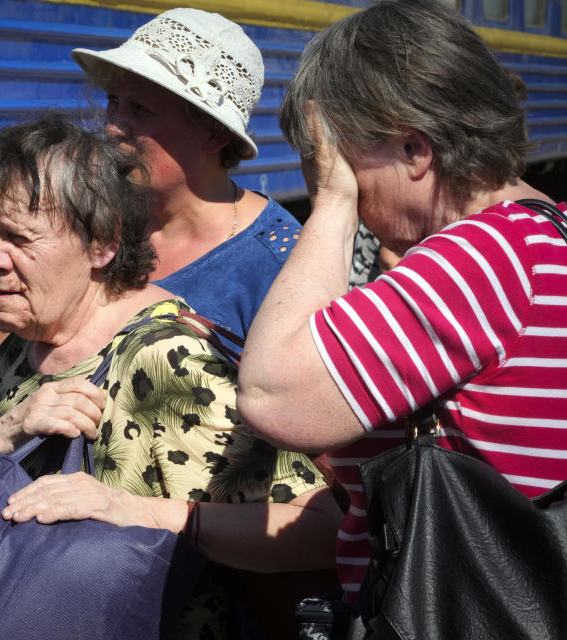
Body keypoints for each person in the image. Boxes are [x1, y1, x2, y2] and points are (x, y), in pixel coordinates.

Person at [0, 114, 342, 639]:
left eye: (20, 237)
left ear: (102, 244)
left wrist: (126, 507)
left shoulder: (166, 360)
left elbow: (317, 529)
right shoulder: (14, 355)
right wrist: (0, 436)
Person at [236, 0, 567, 606]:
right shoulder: (549, 234)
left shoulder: (482, 258)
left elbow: (272, 397)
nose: (348, 192)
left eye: (339, 165)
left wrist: (331, 205)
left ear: (415, 150)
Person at [0, 8, 303, 360]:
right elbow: (7, 360)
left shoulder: (281, 262)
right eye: (114, 102)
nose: (112, 127)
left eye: (140, 110)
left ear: (214, 134)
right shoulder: (87, 213)